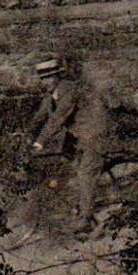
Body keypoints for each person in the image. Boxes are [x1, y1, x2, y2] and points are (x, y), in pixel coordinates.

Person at [30, 58, 108, 236]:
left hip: (94, 131)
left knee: (85, 173)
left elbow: (58, 117)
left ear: (58, 76)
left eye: (49, 77)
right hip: (77, 132)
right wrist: (24, 134)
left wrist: (40, 141)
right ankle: (81, 202)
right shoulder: (51, 95)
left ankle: (86, 220)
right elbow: (40, 116)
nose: (46, 82)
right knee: (66, 164)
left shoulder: (69, 89)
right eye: (42, 78)